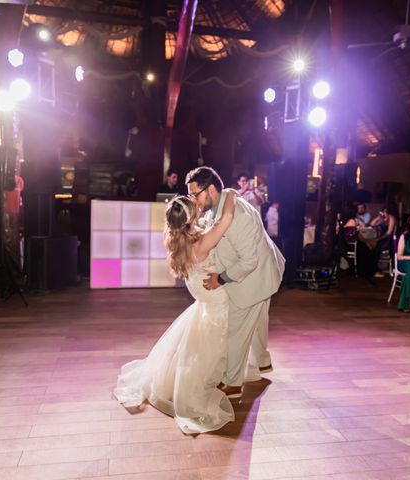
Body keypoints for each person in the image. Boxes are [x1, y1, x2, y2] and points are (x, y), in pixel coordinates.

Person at [115, 193, 240, 434]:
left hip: (200, 296)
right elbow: (227, 218)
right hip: (213, 299)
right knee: (214, 343)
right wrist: (231, 195)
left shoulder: (181, 240)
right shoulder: (201, 243)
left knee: (197, 341)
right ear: (192, 217)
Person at [187, 167, 285, 399]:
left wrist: (220, 278)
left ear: (211, 189)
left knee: (235, 330)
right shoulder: (220, 203)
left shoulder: (237, 215)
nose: (194, 200)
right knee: (259, 321)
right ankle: (262, 363)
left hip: (254, 277)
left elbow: (249, 261)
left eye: (195, 194)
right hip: (264, 270)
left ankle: (232, 383)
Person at [370, 203, 398, 277]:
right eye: (383, 211)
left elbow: (389, 233)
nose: (384, 213)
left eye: (386, 211)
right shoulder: (382, 218)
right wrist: (378, 217)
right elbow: (372, 224)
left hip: (389, 240)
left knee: (376, 249)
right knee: (371, 247)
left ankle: (375, 270)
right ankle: (372, 269)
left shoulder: (392, 218)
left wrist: (378, 239)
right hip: (381, 238)